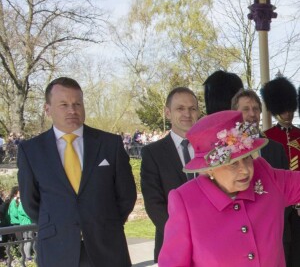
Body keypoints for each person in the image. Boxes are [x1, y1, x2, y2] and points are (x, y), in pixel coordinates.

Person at [17, 77, 137, 267]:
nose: (72, 110)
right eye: (63, 104)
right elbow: (31, 202)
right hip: (57, 251)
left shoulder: (109, 144)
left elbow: (126, 195)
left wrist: (104, 223)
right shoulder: (31, 151)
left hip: (107, 248)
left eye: (77, 104)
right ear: (47, 109)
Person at [159, 110, 300, 267]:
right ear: (209, 168)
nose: (246, 170)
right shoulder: (185, 201)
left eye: (246, 158)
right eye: (233, 163)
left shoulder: (265, 175)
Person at [231, 88, 292, 264]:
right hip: (241, 239)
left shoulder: (275, 148)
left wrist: (271, 218)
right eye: (246, 109)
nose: (252, 114)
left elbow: (285, 190)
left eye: (256, 109)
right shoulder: (227, 153)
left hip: (277, 235)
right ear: (234, 113)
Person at [141, 87, 199, 263]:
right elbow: (153, 203)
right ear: (168, 112)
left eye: (192, 108)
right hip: (172, 243)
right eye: (180, 108)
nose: (187, 114)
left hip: (213, 241)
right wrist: (182, 234)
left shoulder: (212, 148)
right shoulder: (152, 153)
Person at [261, 76, 300, 266]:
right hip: (279, 207)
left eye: (290, 108)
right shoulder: (267, 138)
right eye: (283, 109)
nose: (288, 113)